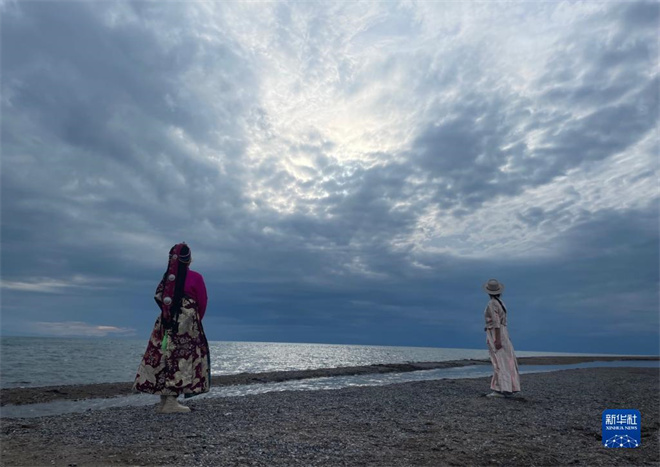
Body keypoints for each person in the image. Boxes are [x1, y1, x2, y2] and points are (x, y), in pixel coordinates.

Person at [134, 242, 210, 413]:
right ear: (188, 260)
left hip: (165, 321)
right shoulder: (195, 277)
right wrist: (195, 321)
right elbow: (202, 301)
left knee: (164, 354)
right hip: (186, 323)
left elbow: (159, 296)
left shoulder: (167, 277)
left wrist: (168, 313)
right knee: (181, 358)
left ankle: (164, 399)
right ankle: (171, 401)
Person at [483, 278, 520, 398]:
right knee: (506, 360)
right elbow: (502, 322)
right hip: (503, 332)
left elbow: (496, 322)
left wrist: (497, 339)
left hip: (496, 332)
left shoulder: (492, 303)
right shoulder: (501, 302)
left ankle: (501, 389)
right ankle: (509, 387)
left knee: (499, 360)